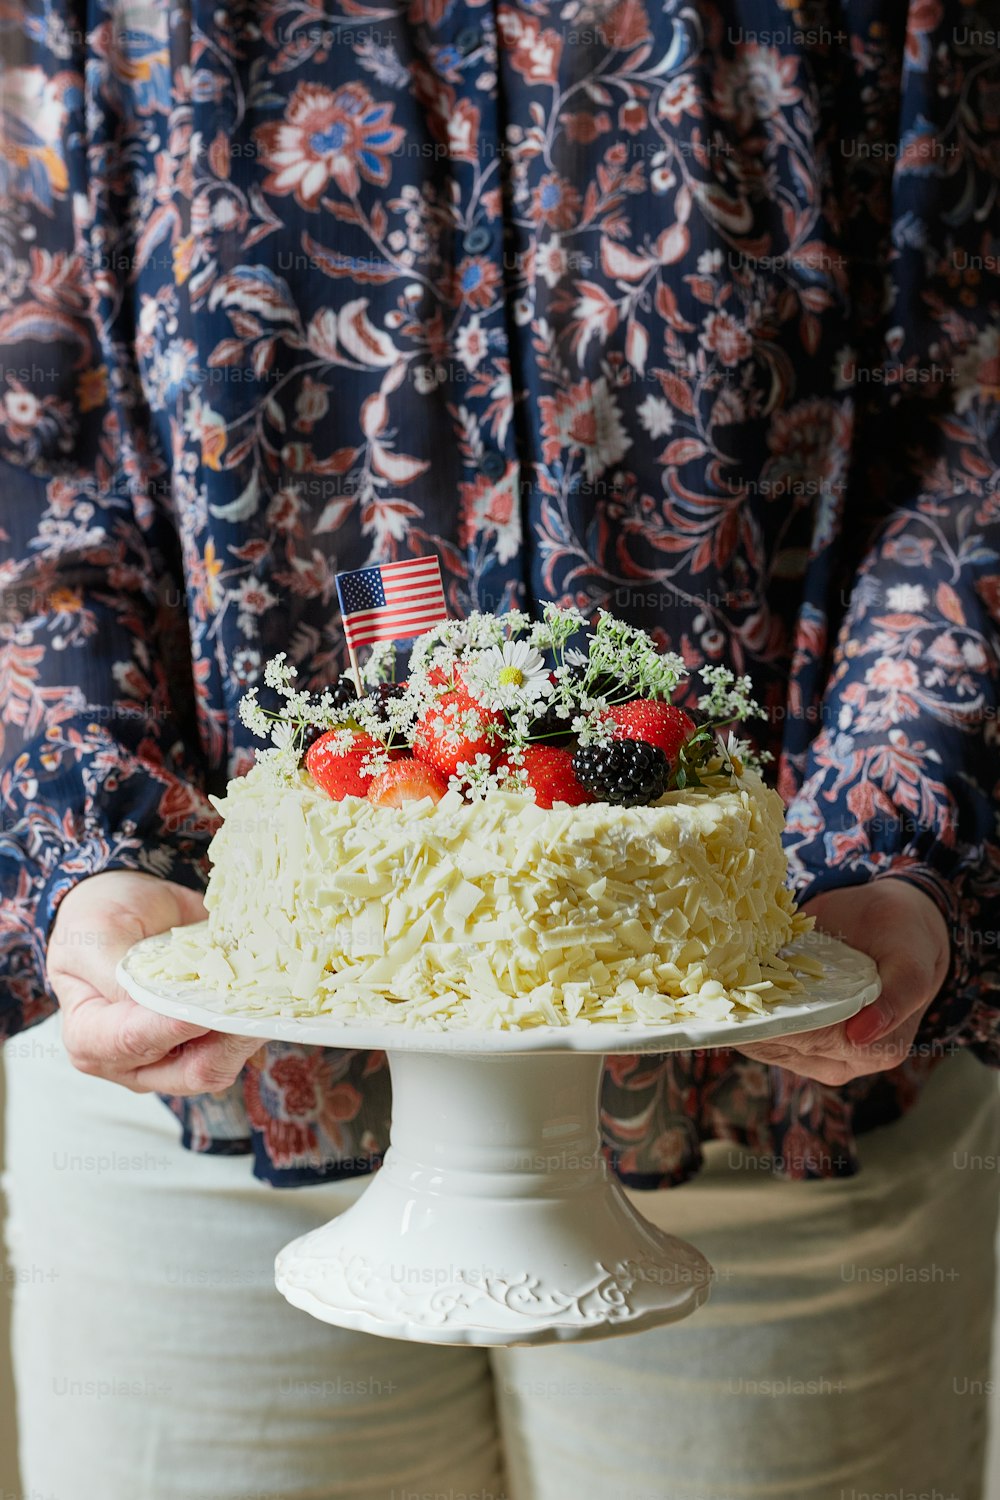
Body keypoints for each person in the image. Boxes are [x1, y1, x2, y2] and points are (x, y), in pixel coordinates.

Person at [1, 1, 998, 1496]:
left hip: (773, 1100)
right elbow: (32, 474)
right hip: (209, 1115)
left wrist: (898, 864)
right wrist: (93, 869)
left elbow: (970, 444)